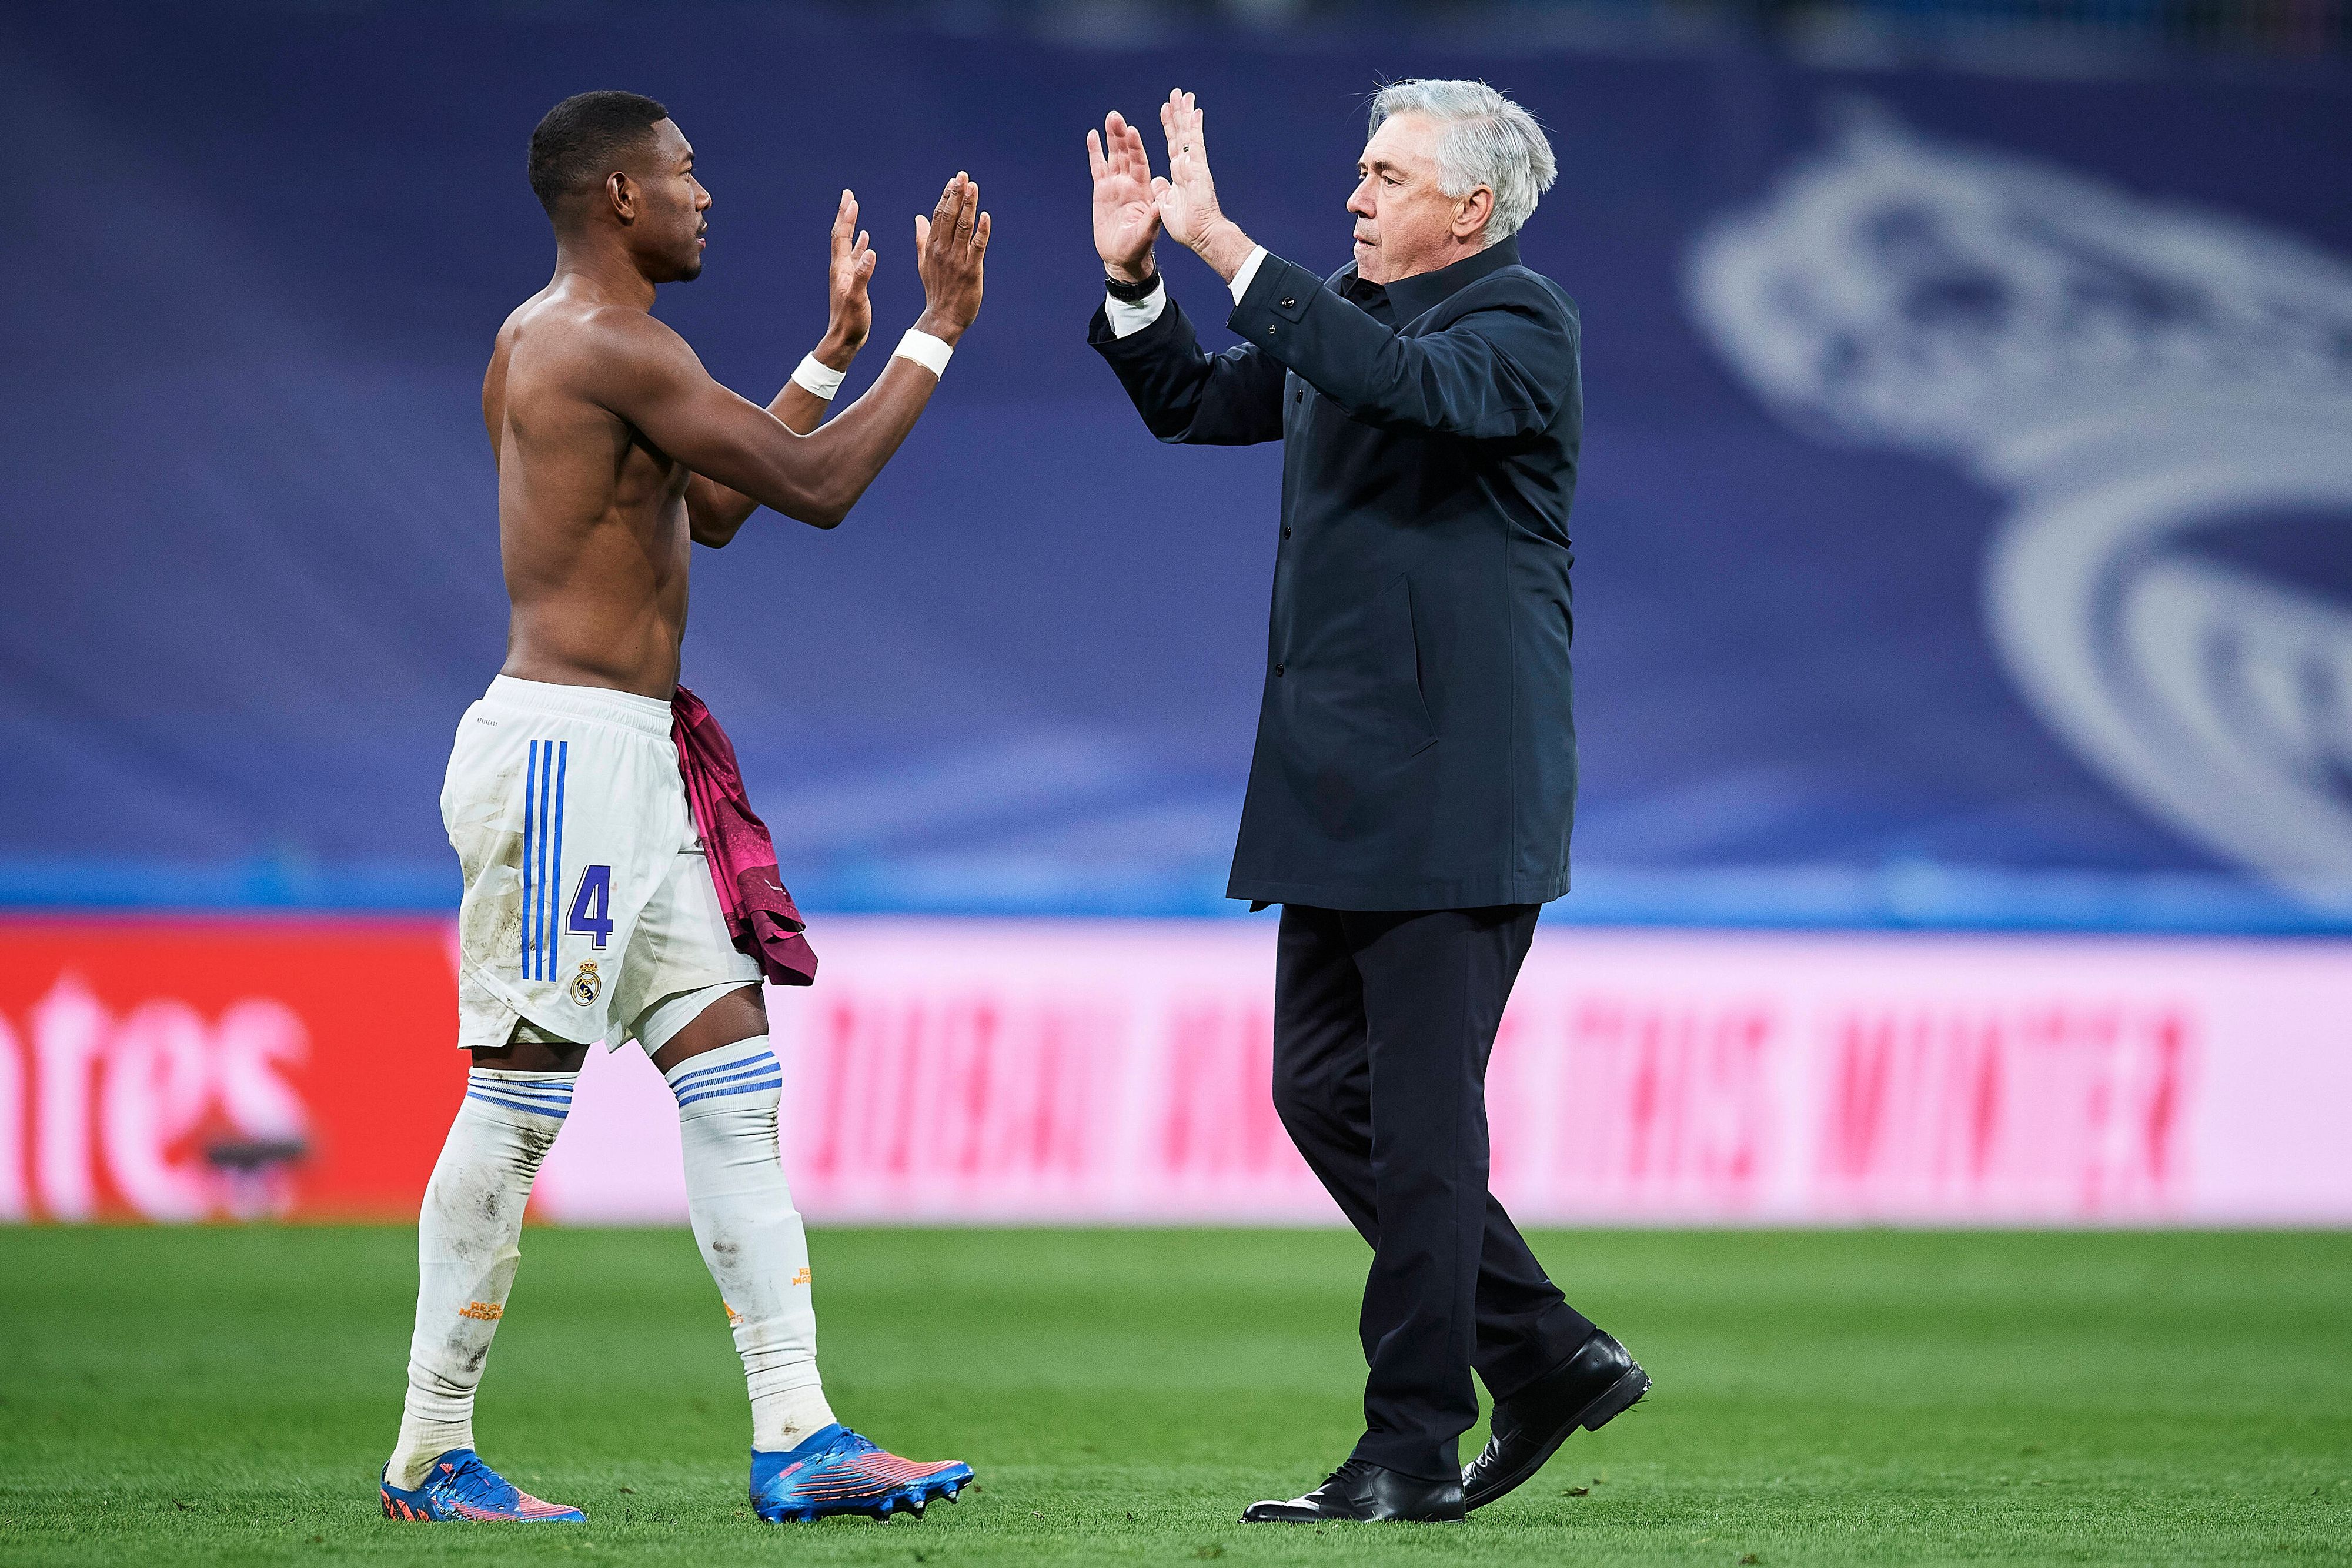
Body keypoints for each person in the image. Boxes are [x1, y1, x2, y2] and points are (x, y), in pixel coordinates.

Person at [379, 90, 988, 1527]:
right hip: (561, 759)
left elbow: (709, 509)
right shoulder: (601, 341)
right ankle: (426, 1448)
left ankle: (799, 1433)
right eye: (685, 173)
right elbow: (818, 493)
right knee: (520, 1102)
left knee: (732, 1082)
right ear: (617, 201)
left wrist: (828, 355)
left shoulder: (574, 344)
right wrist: (935, 327)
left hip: (634, 762)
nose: (705, 195)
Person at [1086, 81, 1647, 1524]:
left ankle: (1406, 1441)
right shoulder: (1342, 314)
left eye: (1383, 175)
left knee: (1417, 1118)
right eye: (1356, 170)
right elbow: (1196, 405)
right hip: (1337, 782)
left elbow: (1410, 390)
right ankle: (1541, 1348)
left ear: (1467, 208)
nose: (1353, 195)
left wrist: (1228, 250)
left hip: (1454, 786)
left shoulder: (1516, 323)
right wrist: (1140, 272)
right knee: (1319, 1089)